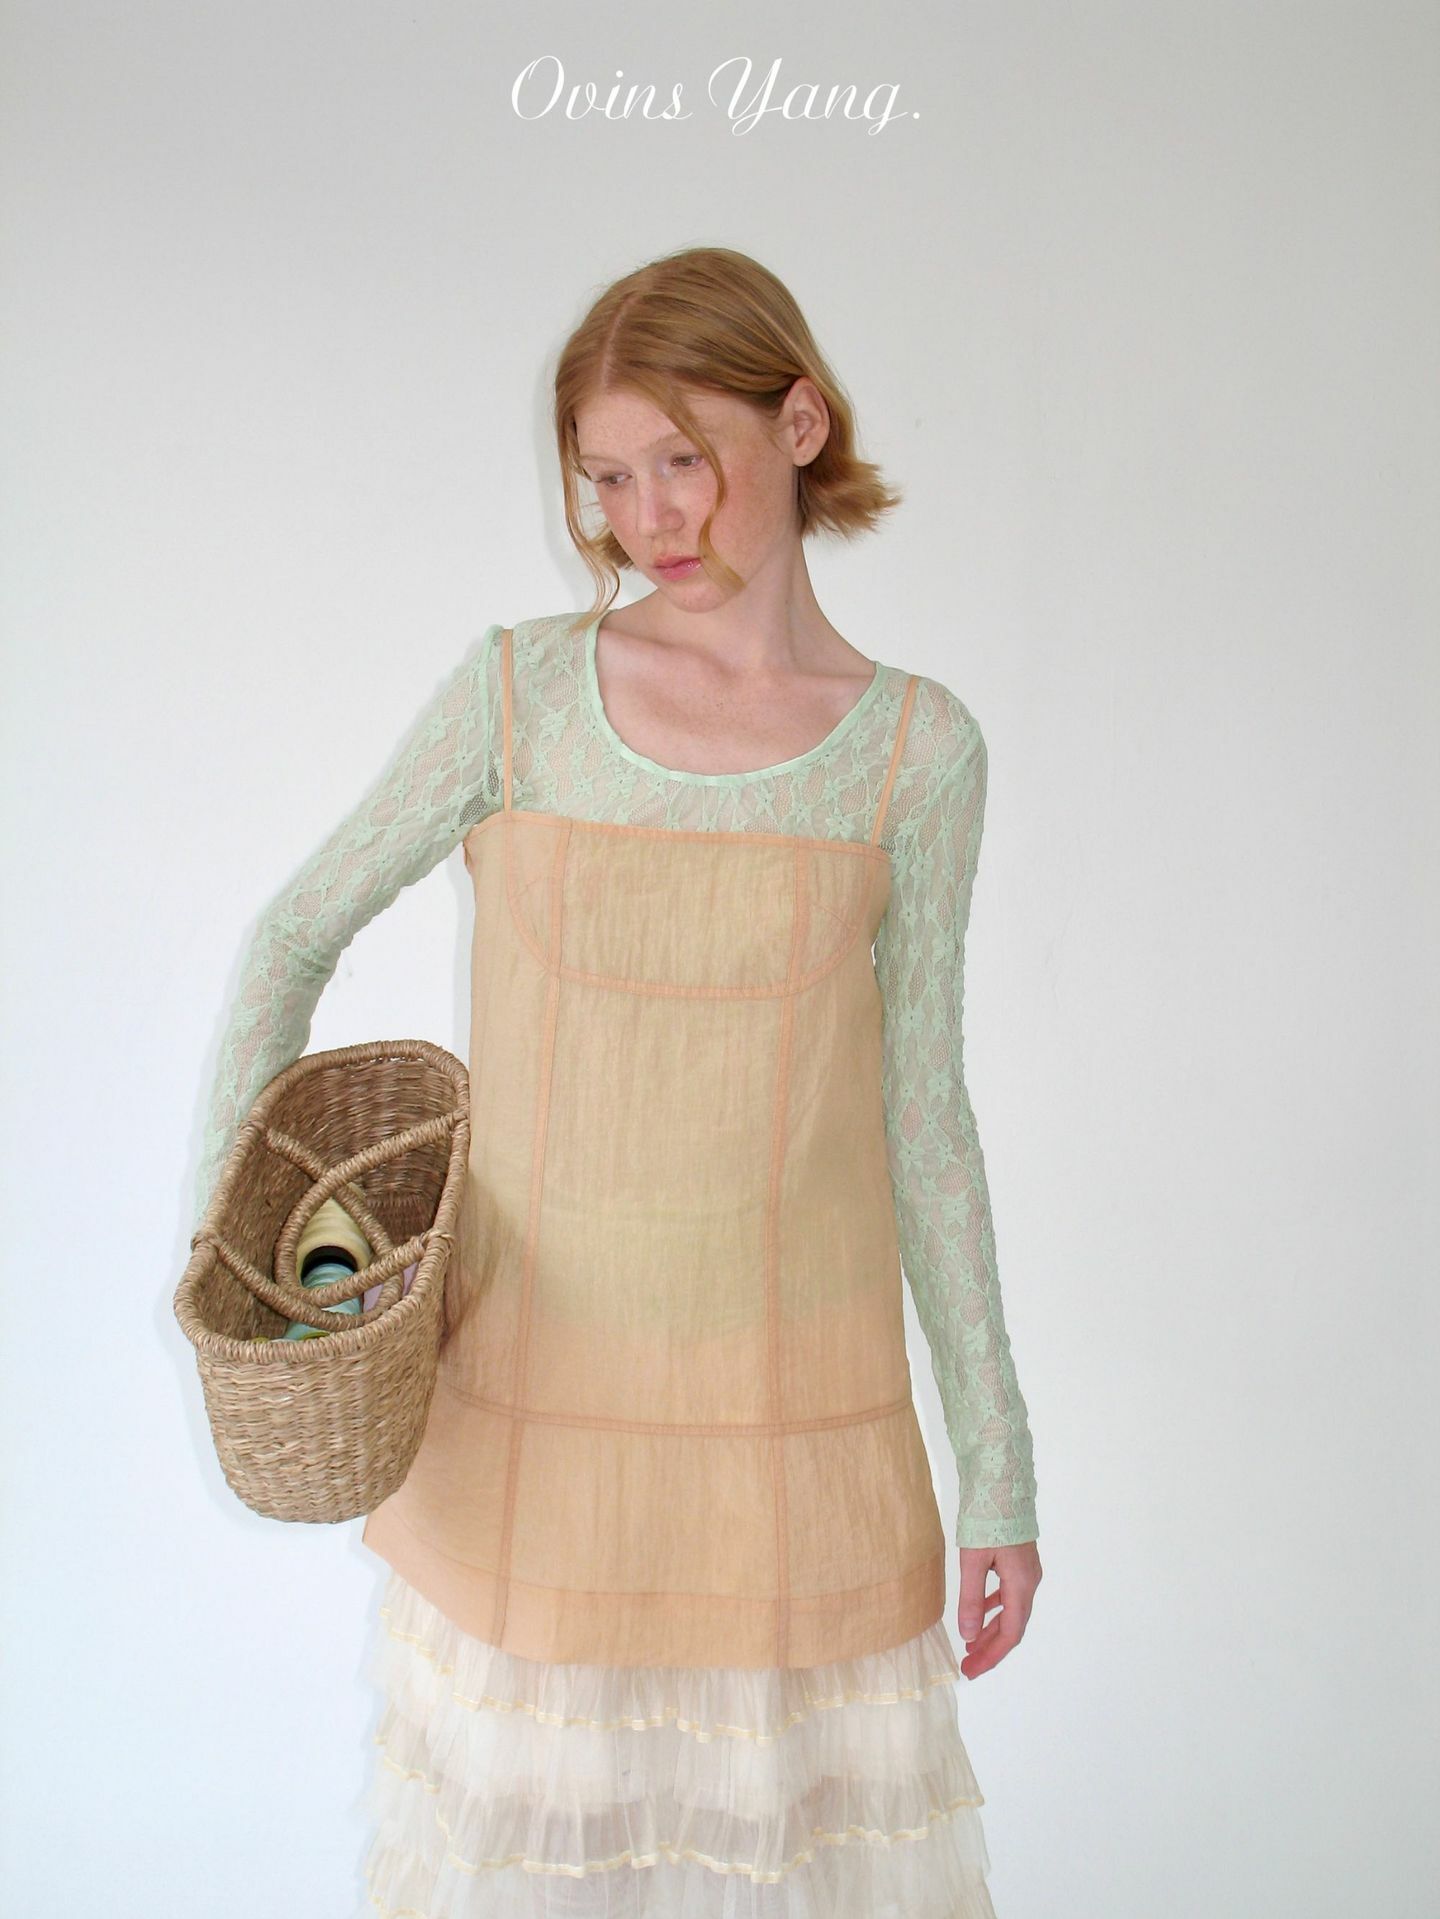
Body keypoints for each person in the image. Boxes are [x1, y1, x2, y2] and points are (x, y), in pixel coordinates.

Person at [193, 245, 1043, 1918]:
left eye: (682, 458)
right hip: (536, 1424)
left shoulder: (916, 754)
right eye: (605, 477)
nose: (647, 516)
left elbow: (927, 1120)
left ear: (800, 423)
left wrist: (998, 1470)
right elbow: (294, 935)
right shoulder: (519, 698)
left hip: (789, 1438)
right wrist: (250, 1248)